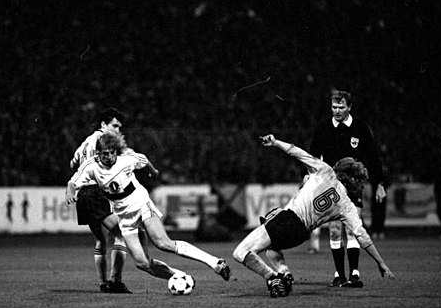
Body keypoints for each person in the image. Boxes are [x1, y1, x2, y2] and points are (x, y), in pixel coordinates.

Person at [232, 134, 395, 297]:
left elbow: (296, 152)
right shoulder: (347, 206)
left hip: (288, 220)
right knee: (272, 245)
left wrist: (275, 142)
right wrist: (380, 262)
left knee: (240, 253)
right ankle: (284, 273)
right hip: (300, 235)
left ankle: (273, 278)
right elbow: (362, 236)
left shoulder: (326, 171)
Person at [66, 131, 232, 289]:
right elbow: (73, 183)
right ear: (98, 153)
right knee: (142, 263)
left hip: (141, 205)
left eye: (111, 153)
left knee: (162, 243)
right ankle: (180, 276)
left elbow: (143, 160)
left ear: (116, 152)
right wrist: (70, 194)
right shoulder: (91, 166)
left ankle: (216, 263)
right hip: (124, 218)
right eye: (104, 153)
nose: (108, 157)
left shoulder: (127, 158)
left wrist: (153, 171)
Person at [309, 90, 386, 288]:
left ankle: (354, 274)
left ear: (349, 107)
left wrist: (380, 184)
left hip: (353, 186)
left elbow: (374, 158)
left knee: (352, 227)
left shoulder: (360, 128)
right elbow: (312, 158)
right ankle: (338, 274)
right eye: (334, 107)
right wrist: (309, 177)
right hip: (330, 185)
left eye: (341, 107)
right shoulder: (323, 129)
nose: (337, 111)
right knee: (335, 230)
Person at [68, 107, 131, 293]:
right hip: (96, 193)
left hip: (83, 195)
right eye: (115, 125)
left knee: (101, 239)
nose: (118, 130)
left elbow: (73, 163)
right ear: (104, 125)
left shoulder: (85, 142)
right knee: (122, 233)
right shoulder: (104, 142)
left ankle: (104, 283)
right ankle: (115, 281)